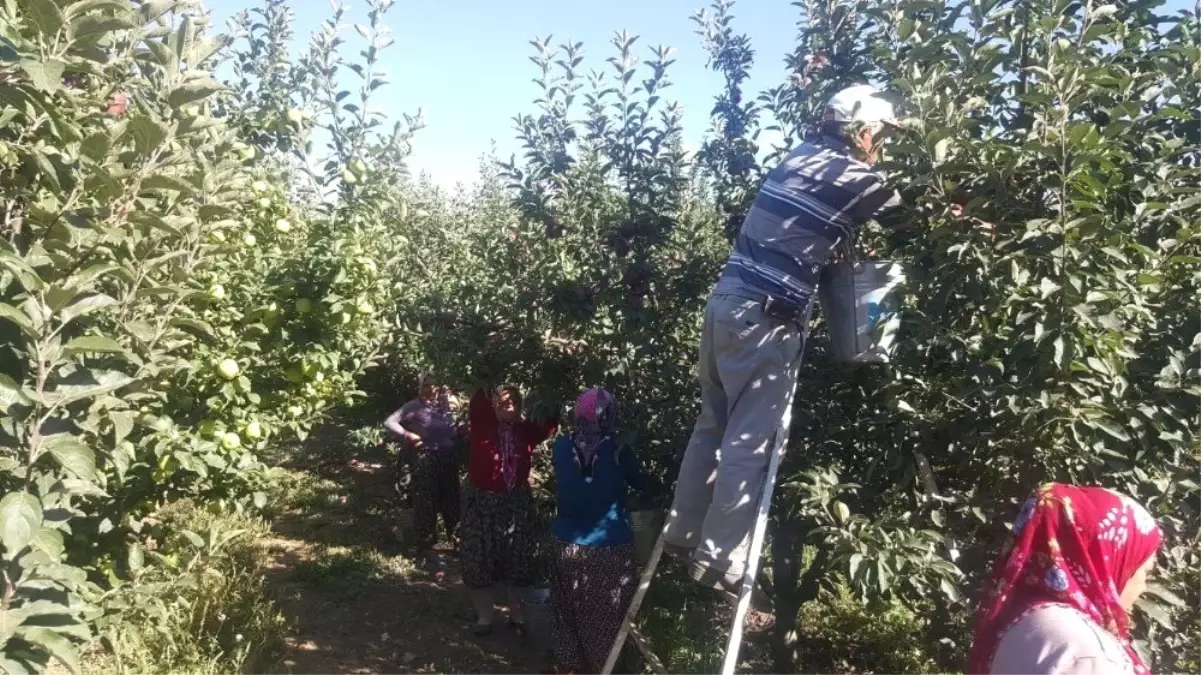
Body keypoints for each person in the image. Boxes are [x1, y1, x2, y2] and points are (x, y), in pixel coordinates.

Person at [664, 83, 905, 602]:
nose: (882, 145)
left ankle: (684, 533)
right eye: (881, 134)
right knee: (749, 443)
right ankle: (718, 559)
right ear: (862, 131)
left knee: (713, 425)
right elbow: (908, 219)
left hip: (726, 304)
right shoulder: (857, 177)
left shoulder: (800, 156)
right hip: (766, 321)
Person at [968, 483, 1163, 675]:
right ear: (1113, 564)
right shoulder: (1085, 652)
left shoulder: (1024, 622)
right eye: (1145, 572)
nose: (1144, 587)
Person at [543, 388, 648, 675]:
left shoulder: (562, 446)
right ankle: (603, 668)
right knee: (605, 620)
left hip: (563, 542)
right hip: (607, 549)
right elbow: (640, 483)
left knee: (565, 611)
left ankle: (568, 666)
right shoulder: (618, 450)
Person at [460, 384, 558, 636]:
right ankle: (485, 617)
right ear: (493, 404)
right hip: (481, 502)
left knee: (519, 559)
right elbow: (480, 393)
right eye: (502, 402)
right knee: (477, 557)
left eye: (514, 402)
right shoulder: (483, 423)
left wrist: (554, 381)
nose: (508, 406)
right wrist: (488, 364)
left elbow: (549, 420)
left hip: (516, 503)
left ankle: (516, 614)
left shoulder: (526, 431)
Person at [383, 372, 462, 565]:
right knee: (427, 503)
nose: (431, 388)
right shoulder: (413, 407)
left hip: (448, 459)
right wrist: (407, 435)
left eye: (435, 384)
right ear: (420, 386)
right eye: (426, 384)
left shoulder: (444, 407)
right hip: (426, 459)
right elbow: (389, 422)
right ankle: (428, 548)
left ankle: (459, 544)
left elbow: (455, 428)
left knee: (452, 502)